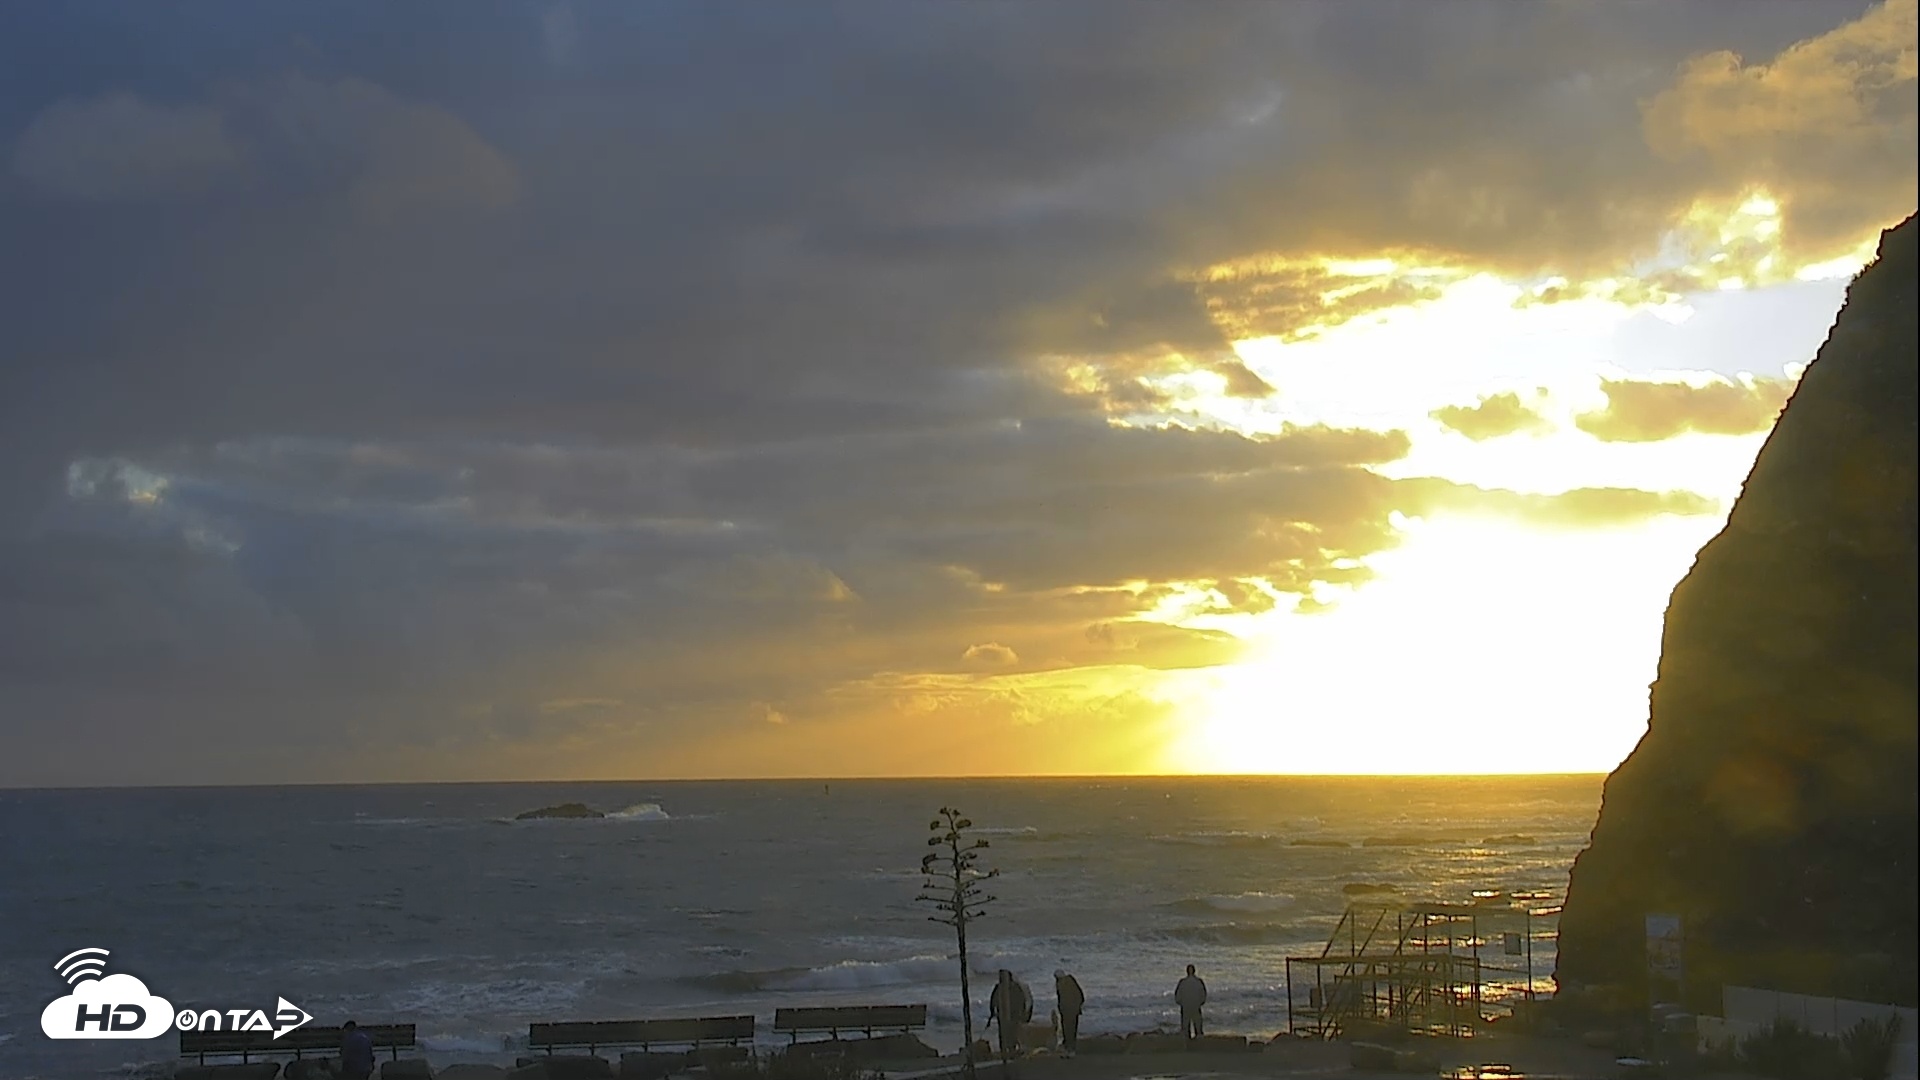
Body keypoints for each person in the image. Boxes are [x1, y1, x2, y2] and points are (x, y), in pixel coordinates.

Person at [987, 969, 1032, 1057]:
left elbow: (1022, 1000)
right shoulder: (999, 987)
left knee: (1012, 1033)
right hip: (1003, 1015)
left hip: (1014, 1015)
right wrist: (992, 1012)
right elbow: (993, 1001)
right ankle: (1005, 1050)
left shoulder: (1015, 987)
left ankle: (1011, 1050)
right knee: (1004, 1033)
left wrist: (1023, 1013)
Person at [1174, 964, 1207, 1045]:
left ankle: (1186, 1044)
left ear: (1186, 971)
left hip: (1185, 1006)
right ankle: (1199, 1044)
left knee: (1185, 1027)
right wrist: (1200, 1002)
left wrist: (1181, 1003)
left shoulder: (1182, 982)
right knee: (1198, 1026)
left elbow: (1177, 996)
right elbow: (1203, 995)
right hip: (1196, 1006)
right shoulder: (1199, 981)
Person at [1054, 969, 1085, 1055]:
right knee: (1072, 1029)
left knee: (1067, 1029)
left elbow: (1061, 999)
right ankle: (1071, 1048)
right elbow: (1081, 995)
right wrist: (1078, 1006)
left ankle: (1069, 1048)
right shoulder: (1071, 981)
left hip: (1066, 1011)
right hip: (1074, 1010)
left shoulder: (1060, 984)